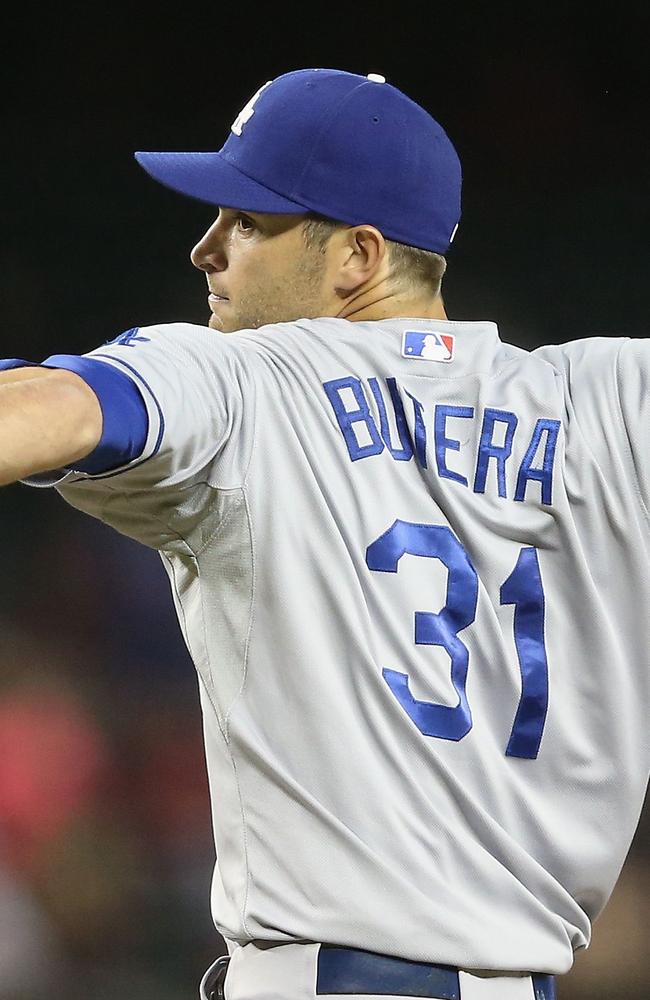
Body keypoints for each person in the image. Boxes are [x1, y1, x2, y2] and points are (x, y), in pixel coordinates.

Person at [0, 66, 647, 1000]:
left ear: (358, 256)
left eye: (247, 222)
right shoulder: (610, 403)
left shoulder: (250, 381)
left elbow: (59, 409)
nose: (205, 249)